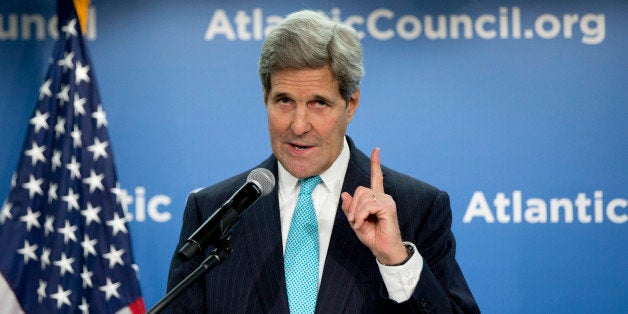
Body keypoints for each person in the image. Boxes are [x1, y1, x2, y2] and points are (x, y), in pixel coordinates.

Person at [167, 9, 479, 313]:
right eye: (285, 101)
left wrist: (396, 261)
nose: (299, 125)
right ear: (266, 98)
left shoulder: (417, 208)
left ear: (351, 103)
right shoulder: (211, 211)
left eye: (318, 103)